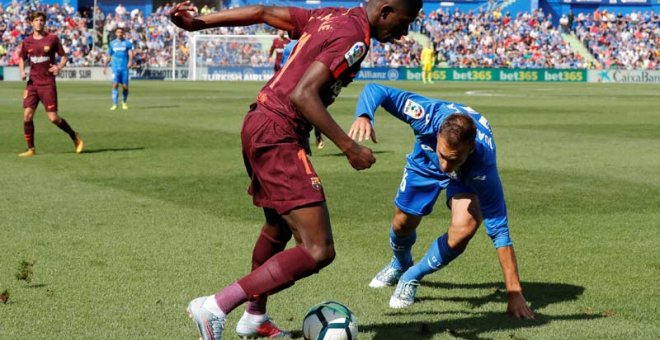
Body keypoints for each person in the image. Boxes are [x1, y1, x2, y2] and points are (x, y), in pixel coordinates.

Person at [169, 1, 421, 339]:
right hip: (278, 133)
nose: (404, 33)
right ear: (387, 11)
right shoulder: (354, 36)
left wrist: (199, 23)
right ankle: (214, 307)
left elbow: (262, 12)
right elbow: (304, 94)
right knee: (318, 249)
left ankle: (254, 317)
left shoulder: (333, 15)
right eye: (405, 23)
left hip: (261, 122)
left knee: (278, 228)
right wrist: (349, 147)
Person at [348, 84, 535, 319]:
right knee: (402, 223)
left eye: (453, 158)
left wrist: (515, 293)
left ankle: (411, 276)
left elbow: (500, 231)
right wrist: (365, 114)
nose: (446, 165)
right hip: (425, 163)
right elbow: (377, 90)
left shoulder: (483, 167)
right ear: (437, 136)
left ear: (470, 148)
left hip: (465, 176)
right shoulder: (427, 115)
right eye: (444, 155)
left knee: (465, 228)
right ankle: (399, 263)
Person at [18, 11, 83, 157]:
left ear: (44, 22)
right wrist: (22, 71)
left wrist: (58, 67)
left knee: (53, 118)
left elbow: (64, 57)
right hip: (32, 83)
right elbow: (22, 58)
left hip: (47, 84)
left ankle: (74, 135)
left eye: (41, 20)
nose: (39, 22)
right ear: (31, 23)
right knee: (27, 116)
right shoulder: (27, 41)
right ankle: (31, 149)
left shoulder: (52, 39)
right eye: (36, 20)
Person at [281, 39, 324, 150]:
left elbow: (283, 67)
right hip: (306, 85)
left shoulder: (290, 46)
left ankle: (301, 144)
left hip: (290, 86)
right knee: (311, 112)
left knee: (296, 116)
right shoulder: (312, 41)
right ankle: (306, 143)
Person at [104, 27, 133, 110]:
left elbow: (130, 53)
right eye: (118, 32)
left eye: (121, 32)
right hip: (115, 68)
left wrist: (130, 61)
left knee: (125, 86)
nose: (120, 33)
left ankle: (124, 102)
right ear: (116, 33)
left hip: (124, 68)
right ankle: (115, 104)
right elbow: (109, 55)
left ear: (123, 33)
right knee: (114, 85)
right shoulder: (112, 43)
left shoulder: (127, 43)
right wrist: (105, 65)